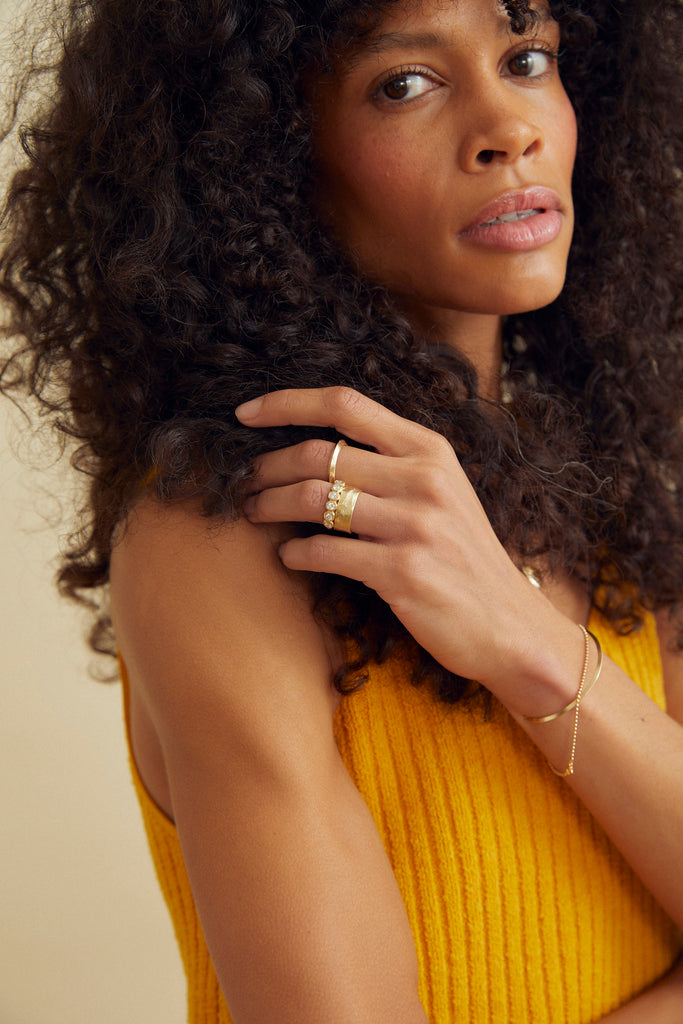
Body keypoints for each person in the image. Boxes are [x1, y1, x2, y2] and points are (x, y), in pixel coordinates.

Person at [1, 0, 682, 1020]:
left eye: (527, 57)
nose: (509, 126)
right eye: (402, 82)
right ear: (261, 161)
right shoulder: (228, 536)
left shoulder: (606, 486)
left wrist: (519, 638)